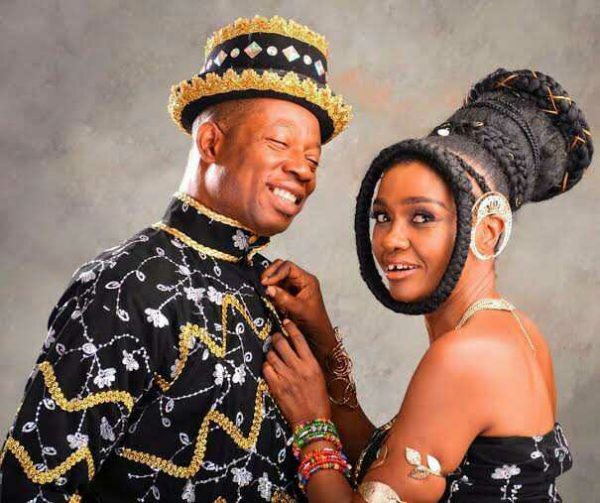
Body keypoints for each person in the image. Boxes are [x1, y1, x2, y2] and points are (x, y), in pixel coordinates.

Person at [0, 15, 351, 502]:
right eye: (279, 142)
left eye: (313, 159)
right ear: (211, 142)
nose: (302, 170)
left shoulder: (276, 294)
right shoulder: (127, 286)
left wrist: (324, 339)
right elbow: (33, 489)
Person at [260, 68, 592, 502]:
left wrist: (312, 427)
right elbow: (385, 466)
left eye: (422, 217)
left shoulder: (467, 356)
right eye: (382, 216)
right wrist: (322, 338)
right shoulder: (515, 331)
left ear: (488, 231)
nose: (391, 240)